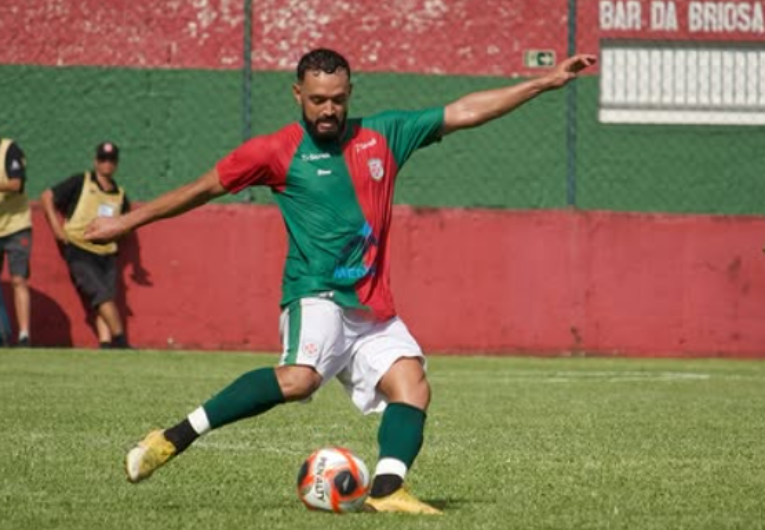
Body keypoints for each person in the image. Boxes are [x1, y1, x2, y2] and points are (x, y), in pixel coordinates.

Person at [85, 49, 596, 514]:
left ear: (350, 93)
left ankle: (387, 490)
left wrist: (545, 82)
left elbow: (464, 111)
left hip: (372, 306)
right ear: (297, 95)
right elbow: (201, 189)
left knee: (412, 385)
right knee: (299, 379)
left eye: (336, 99)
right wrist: (125, 222)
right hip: (317, 295)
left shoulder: (385, 136)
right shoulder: (274, 151)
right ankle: (173, 437)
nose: (327, 109)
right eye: (317, 100)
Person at [41, 141, 133, 349]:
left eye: (111, 160)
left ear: (116, 164)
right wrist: (57, 230)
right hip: (80, 249)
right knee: (101, 294)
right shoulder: (80, 182)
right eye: (103, 159)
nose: (107, 164)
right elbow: (47, 197)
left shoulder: (119, 194)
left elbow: (126, 223)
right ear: (96, 161)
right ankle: (120, 340)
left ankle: (106, 343)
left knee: (105, 298)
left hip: (107, 253)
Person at [0, 137, 32, 347]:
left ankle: (24, 335)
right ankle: (2, 334)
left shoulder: (8, 149)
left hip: (16, 226)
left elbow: (16, 183)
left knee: (18, 279)